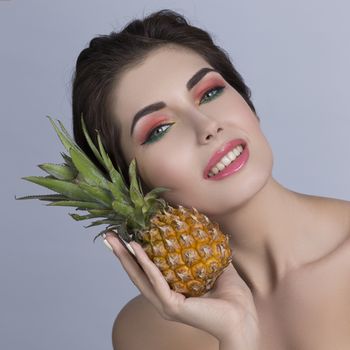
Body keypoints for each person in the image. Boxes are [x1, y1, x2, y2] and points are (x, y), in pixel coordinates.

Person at [71, 9, 350, 350]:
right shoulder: (144, 333)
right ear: (131, 181)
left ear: (247, 102)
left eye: (210, 93)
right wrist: (236, 335)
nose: (207, 126)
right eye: (159, 129)